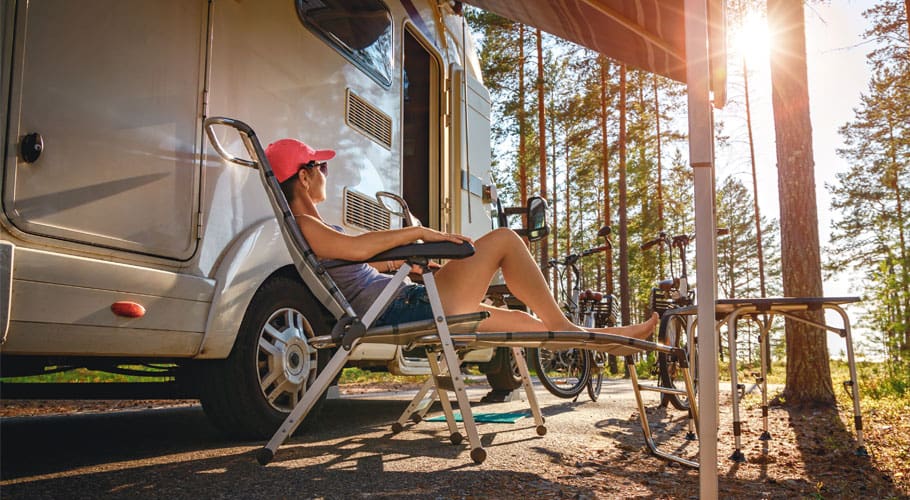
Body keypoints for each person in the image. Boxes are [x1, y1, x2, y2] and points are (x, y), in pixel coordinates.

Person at [265, 139, 658, 354]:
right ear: (303, 176)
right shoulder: (305, 224)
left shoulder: (317, 227)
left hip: (409, 298)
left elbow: (363, 263)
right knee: (504, 239)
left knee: (525, 324)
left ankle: (608, 343)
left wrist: (408, 265)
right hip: (403, 308)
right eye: (322, 167)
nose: (326, 174)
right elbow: (356, 249)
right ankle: (569, 328)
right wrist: (418, 235)